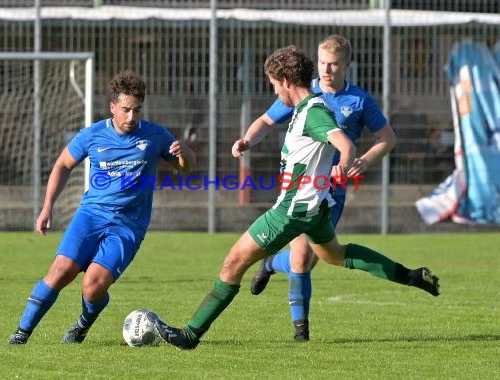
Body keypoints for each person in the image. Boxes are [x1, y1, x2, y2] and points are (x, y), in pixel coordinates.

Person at [154, 45, 440, 350]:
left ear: (287, 81)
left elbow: (344, 143)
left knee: (233, 263)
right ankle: (410, 275)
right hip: (316, 209)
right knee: (336, 255)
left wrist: (344, 164)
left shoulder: (313, 113)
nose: (276, 93)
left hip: (291, 211)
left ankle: (189, 335)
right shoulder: (310, 107)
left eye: (275, 86)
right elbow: (276, 124)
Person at [241, 34, 438, 342]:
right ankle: (301, 333)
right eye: (322, 63)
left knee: (316, 256)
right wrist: (247, 141)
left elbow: (387, 138)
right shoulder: (305, 93)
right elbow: (266, 120)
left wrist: (364, 161)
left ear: (347, 65)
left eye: (333, 64)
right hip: (304, 185)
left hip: (334, 191)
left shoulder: (359, 101)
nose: (327, 70)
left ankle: (269, 263)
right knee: (302, 255)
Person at [7, 70, 195, 345]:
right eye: (125, 110)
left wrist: (185, 155)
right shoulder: (92, 135)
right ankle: (21, 334)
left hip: (128, 225)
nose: (132, 117)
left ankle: (81, 326)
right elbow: (62, 165)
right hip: (91, 215)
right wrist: (47, 207)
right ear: (112, 107)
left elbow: (185, 170)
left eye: (137, 110)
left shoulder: (155, 135)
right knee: (61, 271)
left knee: (93, 286)